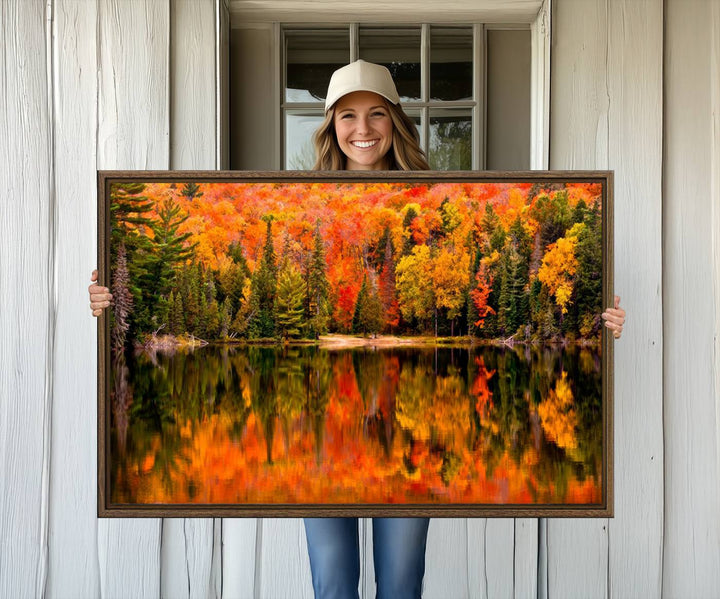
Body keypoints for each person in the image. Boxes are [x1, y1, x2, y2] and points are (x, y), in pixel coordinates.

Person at [88, 60, 627, 598]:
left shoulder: (437, 194)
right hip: (319, 462)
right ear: (330, 126)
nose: (363, 129)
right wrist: (108, 301)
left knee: (400, 584)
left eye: (376, 114)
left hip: (403, 464)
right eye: (348, 116)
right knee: (333, 585)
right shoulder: (300, 199)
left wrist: (596, 319)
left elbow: (573, 297)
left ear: (395, 121)